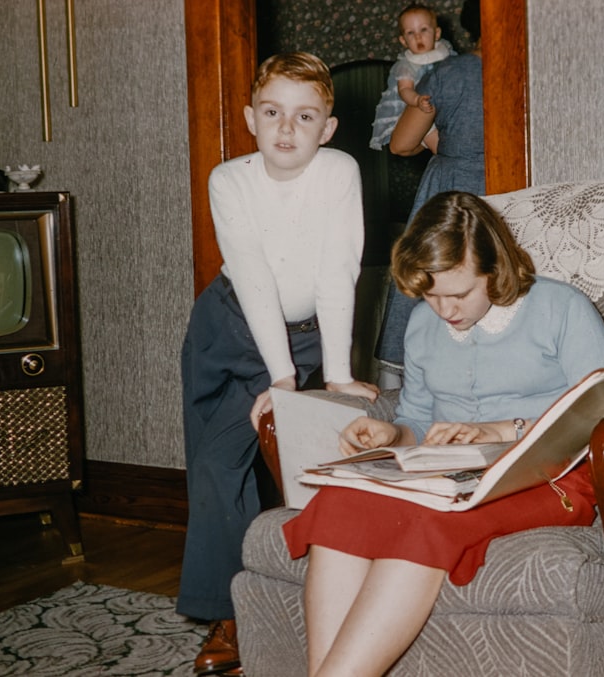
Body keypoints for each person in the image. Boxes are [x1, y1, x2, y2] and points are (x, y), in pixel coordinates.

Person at [281, 191, 604, 676]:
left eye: (458, 294)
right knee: (337, 503)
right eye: (430, 294)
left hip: (552, 475)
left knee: (427, 519)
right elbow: (419, 421)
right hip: (452, 474)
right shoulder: (423, 324)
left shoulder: (561, 308)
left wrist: (503, 428)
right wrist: (390, 433)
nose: (444, 310)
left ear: (494, 269)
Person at [178, 52, 379, 676]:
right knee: (218, 463)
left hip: (312, 333)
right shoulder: (229, 180)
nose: (286, 129)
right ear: (249, 118)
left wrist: (337, 373)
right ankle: (228, 614)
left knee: (308, 454)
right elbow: (258, 280)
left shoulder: (339, 173)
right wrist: (281, 379)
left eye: (304, 116)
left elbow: (337, 274)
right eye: (272, 113)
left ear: (328, 128)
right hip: (232, 324)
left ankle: (313, 594)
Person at [374, 0, 485, 383]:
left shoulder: (449, 72)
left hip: (454, 191)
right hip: (519, 190)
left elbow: (401, 144)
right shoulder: (537, 69)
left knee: (436, 281)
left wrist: (444, 143)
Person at [369, 3, 455, 153]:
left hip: (446, 110)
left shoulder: (446, 53)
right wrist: (416, 100)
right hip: (418, 115)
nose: (418, 36)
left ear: (436, 33)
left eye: (423, 30)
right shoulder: (407, 65)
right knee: (443, 149)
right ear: (403, 41)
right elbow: (405, 89)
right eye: (410, 33)